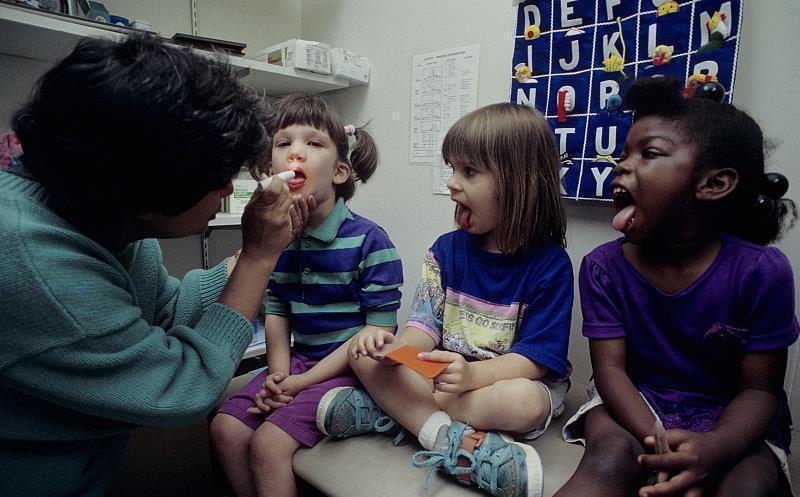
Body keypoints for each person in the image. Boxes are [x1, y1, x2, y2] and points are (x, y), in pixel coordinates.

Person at [0, 34, 308, 497]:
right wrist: (258, 257)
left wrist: (260, 252)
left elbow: (164, 309)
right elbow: (182, 387)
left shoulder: (107, 214)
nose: (228, 190)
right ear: (149, 195)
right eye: (216, 179)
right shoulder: (35, 263)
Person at [556, 76, 799, 497]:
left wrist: (717, 448)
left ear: (714, 184)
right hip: (633, 402)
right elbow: (610, 370)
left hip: (729, 415)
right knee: (610, 457)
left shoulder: (763, 271)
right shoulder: (602, 267)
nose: (622, 165)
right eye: (623, 154)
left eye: (648, 153)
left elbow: (759, 389)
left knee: (749, 484)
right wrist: (659, 441)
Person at [316, 102, 574, 497]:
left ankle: (398, 413)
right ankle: (440, 434)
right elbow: (423, 328)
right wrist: (396, 350)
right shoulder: (445, 251)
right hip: (443, 380)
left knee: (526, 402)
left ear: (518, 181)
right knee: (361, 351)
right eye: (452, 168)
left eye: (468, 171)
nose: (452, 183)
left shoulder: (550, 265)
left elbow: (535, 360)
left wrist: (472, 376)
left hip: (503, 381)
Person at [209, 93, 404, 497]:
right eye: (284, 144)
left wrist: (300, 383)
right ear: (269, 167)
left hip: (353, 371)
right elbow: (277, 308)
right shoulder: (277, 238)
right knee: (225, 428)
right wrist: (280, 374)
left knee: (268, 444)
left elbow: (378, 334)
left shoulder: (371, 241)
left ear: (339, 171)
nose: (295, 152)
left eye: (313, 143)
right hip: (299, 363)